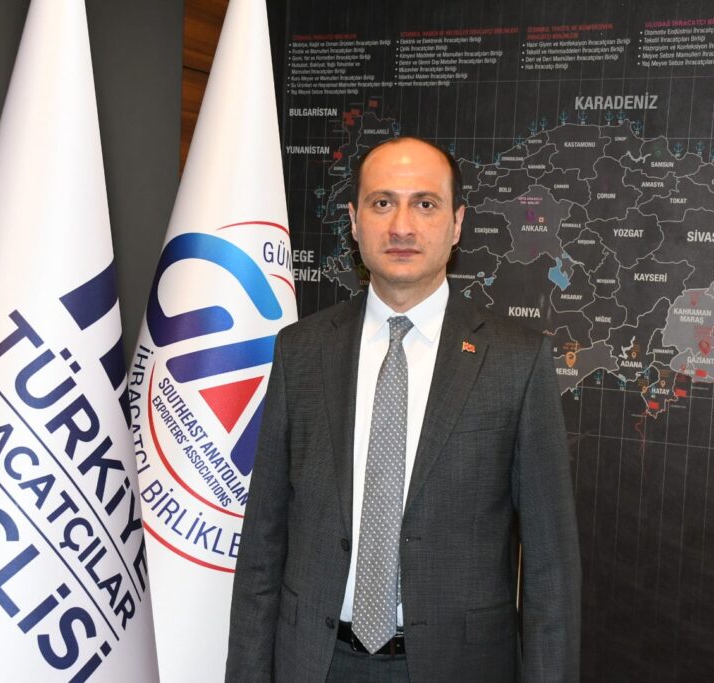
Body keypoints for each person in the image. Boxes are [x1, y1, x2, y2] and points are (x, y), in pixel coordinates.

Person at [226, 136, 580, 682]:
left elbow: (550, 568)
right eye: (382, 202)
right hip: (315, 663)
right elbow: (262, 542)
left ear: (456, 224)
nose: (401, 227)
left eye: (425, 204)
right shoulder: (301, 350)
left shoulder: (517, 361)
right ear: (354, 220)